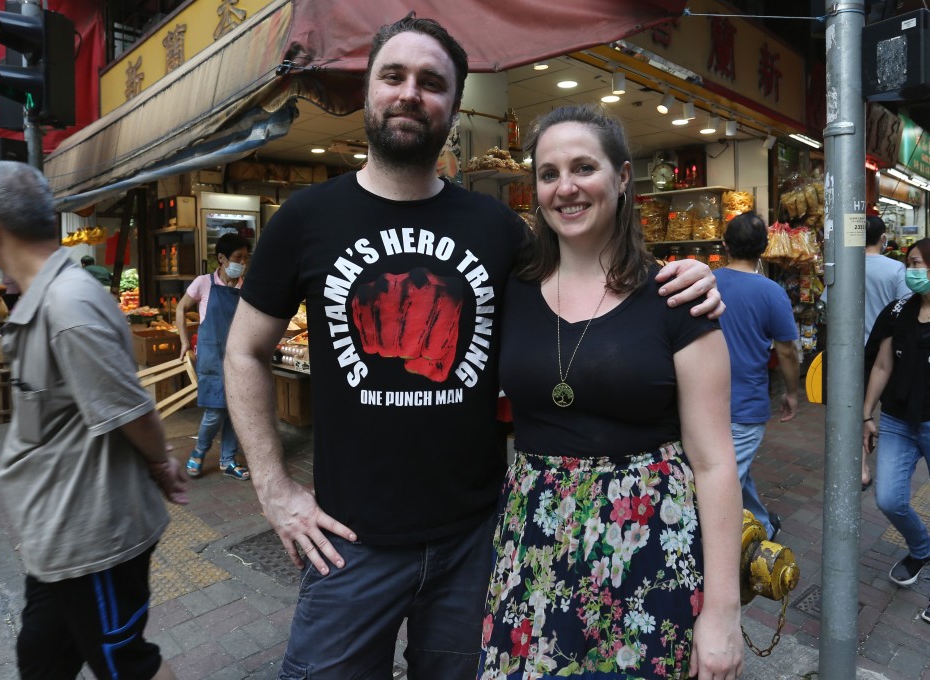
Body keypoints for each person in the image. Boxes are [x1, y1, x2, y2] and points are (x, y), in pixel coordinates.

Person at [224, 15, 723, 678]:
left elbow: (585, 269)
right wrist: (273, 488)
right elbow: (243, 352)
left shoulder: (496, 230)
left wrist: (683, 274)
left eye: (431, 82)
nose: (410, 93)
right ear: (368, 91)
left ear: (454, 106)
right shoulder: (305, 220)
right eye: (393, 76)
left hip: (477, 540)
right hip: (348, 542)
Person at [479, 105, 743, 679]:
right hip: (534, 543)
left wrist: (724, 610)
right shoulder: (511, 289)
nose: (565, 188)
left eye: (583, 168)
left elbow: (716, 460)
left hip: (649, 543)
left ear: (622, 178)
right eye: (548, 174)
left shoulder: (677, 297)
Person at [0, 160, 189, 680]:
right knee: (41, 659)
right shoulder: (46, 297)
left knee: (127, 665)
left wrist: (163, 463)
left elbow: (131, 410)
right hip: (56, 535)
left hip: (92, 535)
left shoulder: (69, 305)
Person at [714, 211, 798, 541]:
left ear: (724, 244)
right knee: (724, 481)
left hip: (703, 400)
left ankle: (762, 524)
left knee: (731, 471)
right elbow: (787, 351)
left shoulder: (706, 280)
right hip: (745, 405)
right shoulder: (772, 292)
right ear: (764, 248)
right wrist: (792, 392)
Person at [863, 237, 930, 622]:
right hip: (899, 421)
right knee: (888, 499)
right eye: (908, 264)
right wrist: (866, 414)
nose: (911, 272)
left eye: (918, 263)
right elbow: (882, 366)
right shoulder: (899, 309)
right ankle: (921, 548)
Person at [174, 232, 251, 480]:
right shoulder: (204, 282)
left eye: (245, 257)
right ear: (221, 258)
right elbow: (181, 308)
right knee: (216, 410)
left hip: (236, 355)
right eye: (238, 257)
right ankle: (198, 452)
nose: (242, 262)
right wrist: (185, 341)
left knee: (234, 410)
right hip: (210, 355)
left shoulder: (245, 287)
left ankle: (228, 460)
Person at [860, 215, 909, 489]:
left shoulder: (846, 267)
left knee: (856, 409)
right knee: (879, 409)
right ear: (883, 239)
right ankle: (876, 464)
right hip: (884, 352)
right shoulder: (896, 269)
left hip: (852, 352)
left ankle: (862, 467)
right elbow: (905, 308)